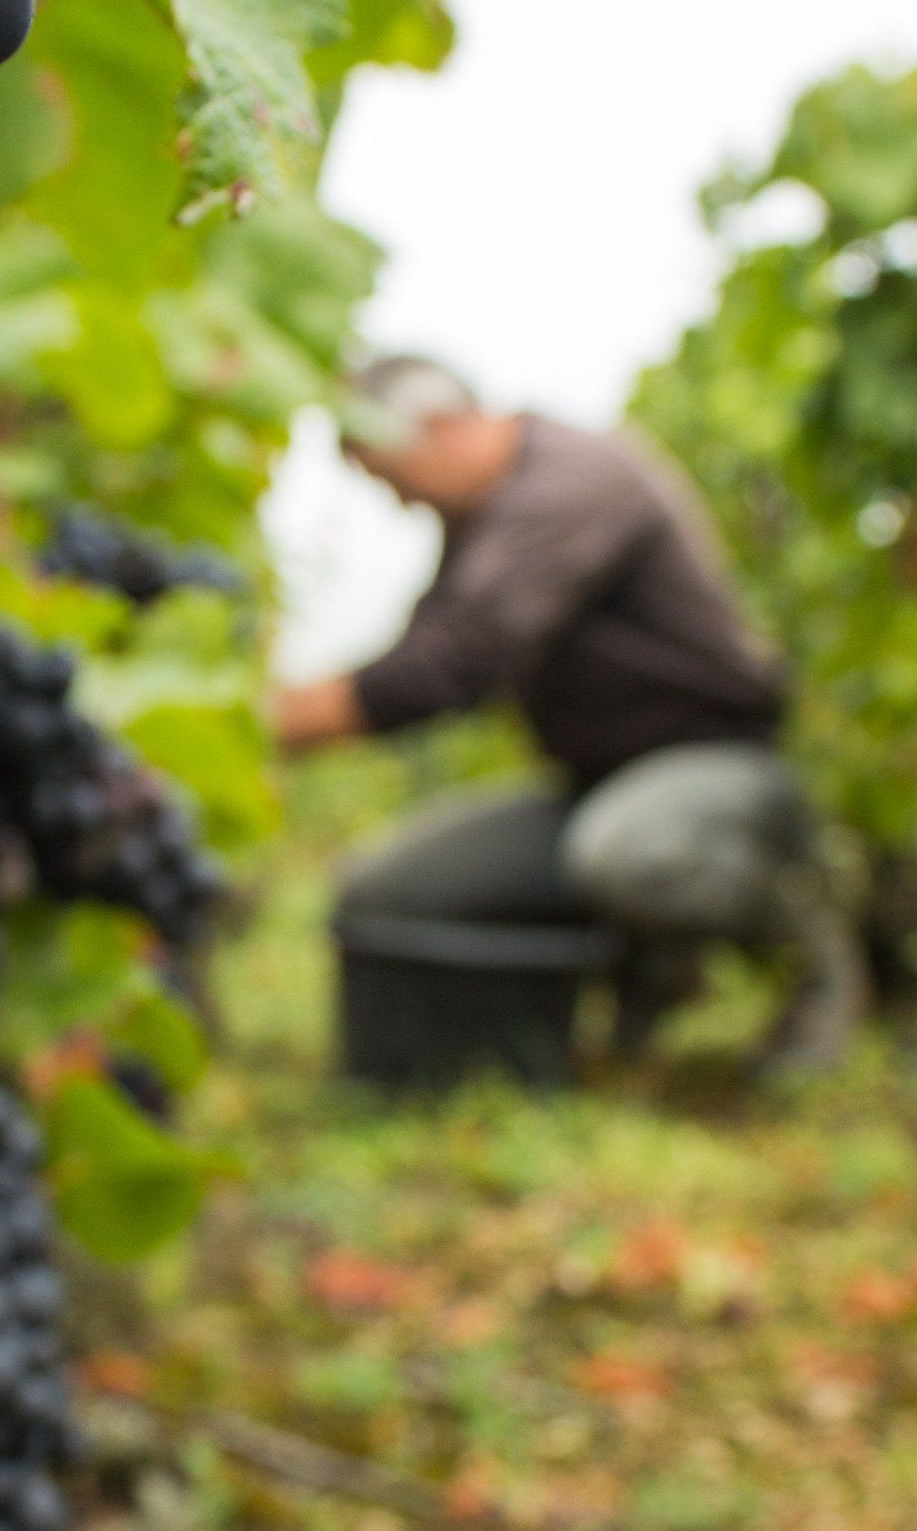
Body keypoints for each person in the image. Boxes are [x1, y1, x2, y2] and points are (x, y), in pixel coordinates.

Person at [272, 355, 864, 1067]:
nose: (393, 500)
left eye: (384, 473)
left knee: (630, 854)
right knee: (382, 891)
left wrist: (274, 724)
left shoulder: (572, 481)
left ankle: (815, 937)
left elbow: (457, 661)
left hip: (719, 768)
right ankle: (632, 975)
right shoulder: (476, 523)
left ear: (439, 428)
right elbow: (424, 652)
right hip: (592, 788)